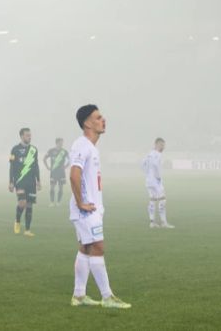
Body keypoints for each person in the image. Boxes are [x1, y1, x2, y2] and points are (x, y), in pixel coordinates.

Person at [68, 104, 131, 309]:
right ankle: (107, 297)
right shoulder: (82, 145)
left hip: (91, 208)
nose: (103, 120)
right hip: (86, 209)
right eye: (98, 117)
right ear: (87, 123)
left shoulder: (91, 147)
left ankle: (78, 296)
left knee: (86, 248)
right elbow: (74, 174)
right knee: (98, 247)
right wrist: (80, 203)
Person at [9, 128, 41, 237]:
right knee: (22, 202)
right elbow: (12, 167)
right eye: (27, 135)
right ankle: (17, 220)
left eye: (30, 135)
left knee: (29, 205)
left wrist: (38, 181)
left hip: (31, 182)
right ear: (22, 136)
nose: (29, 137)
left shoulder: (34, 149)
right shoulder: (15, 149)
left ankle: (27, 230)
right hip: (19, 181)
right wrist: (11, 182)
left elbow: (36, 166)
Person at [142, 138, 174, 229]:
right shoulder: (158, 154)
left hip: (148, 180)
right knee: (162, 200)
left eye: (163, 145)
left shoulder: (149, 154)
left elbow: (142, 164)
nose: (163, 147)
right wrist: (158, 177)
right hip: (156, 181)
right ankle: (164, 222)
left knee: (152, 200)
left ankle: (152, 222)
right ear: (156, 144)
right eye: (161, 145)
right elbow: (156, 165)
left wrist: (148, 174)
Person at [43, 138, 70, 206]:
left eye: (62, 143)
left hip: (61, 172)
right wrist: (47, 167)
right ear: (57, 143)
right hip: (53, 172)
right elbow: (44, 159)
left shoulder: (64, 151)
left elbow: (70, 159)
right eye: (61, 142)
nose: (62, 144)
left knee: (61, 188)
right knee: (52, 187)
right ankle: (52, 202)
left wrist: (66, 166)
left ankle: (58, 202)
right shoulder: (51, 151)